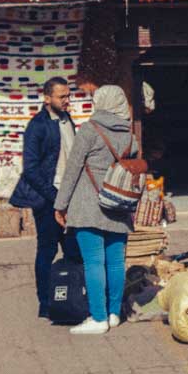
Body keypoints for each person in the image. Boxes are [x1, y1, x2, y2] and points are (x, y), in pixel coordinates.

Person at [54, 85, 136, 335]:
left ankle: (98, 318)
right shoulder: (130, 135)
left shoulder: (89, 130)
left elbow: (72, 169)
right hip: (118, 204)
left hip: (88, 204)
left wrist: (60, 204)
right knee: (115, 263)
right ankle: (113, 314)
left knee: (93, 262)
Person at [11, 76, 75, 318]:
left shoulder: (68, 120)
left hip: (68, 197)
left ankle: (70, 296)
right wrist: (54, 197)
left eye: (69, 95)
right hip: (48, 199)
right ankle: (45, 304)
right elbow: (31, 169)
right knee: (47, 250)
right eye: (62, 96)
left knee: (72, 249)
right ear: (47, 98)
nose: (67, 100)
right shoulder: (37, 126)